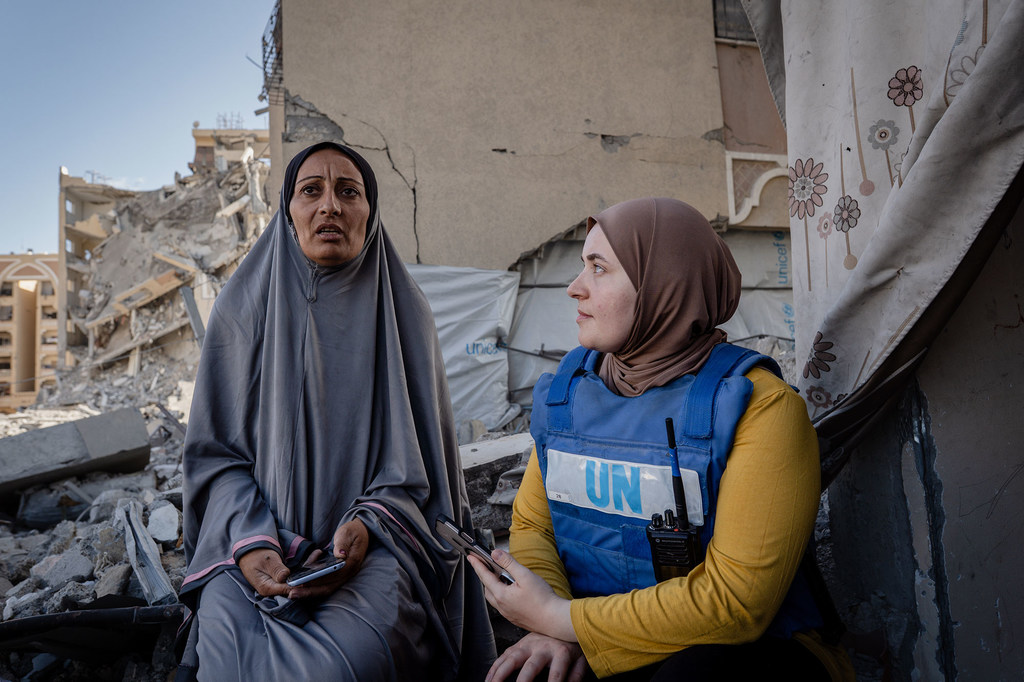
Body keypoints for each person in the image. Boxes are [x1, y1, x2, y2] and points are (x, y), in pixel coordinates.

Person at [468, 197, 853, 681]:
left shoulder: (763, 408)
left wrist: (561, 620)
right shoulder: (567, 393)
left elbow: (736, 602)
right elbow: (533, 526)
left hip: (741, 655)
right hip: (601, 638)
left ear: (664, 286)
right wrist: (550, 628)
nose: (574, 288)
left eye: (598, 268)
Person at [177, 141, 495, 681]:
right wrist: (253, 543)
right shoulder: (241, 309)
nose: (330, 206)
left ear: (370, 213)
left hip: (379, 550)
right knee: (225, 655)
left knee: (346, 666)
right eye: (311, 191)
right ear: (288, 210)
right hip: (252, 546)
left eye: (349, 192)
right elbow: (214, 460)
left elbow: (426, 476)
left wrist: (367, 525)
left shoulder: (404, 315)